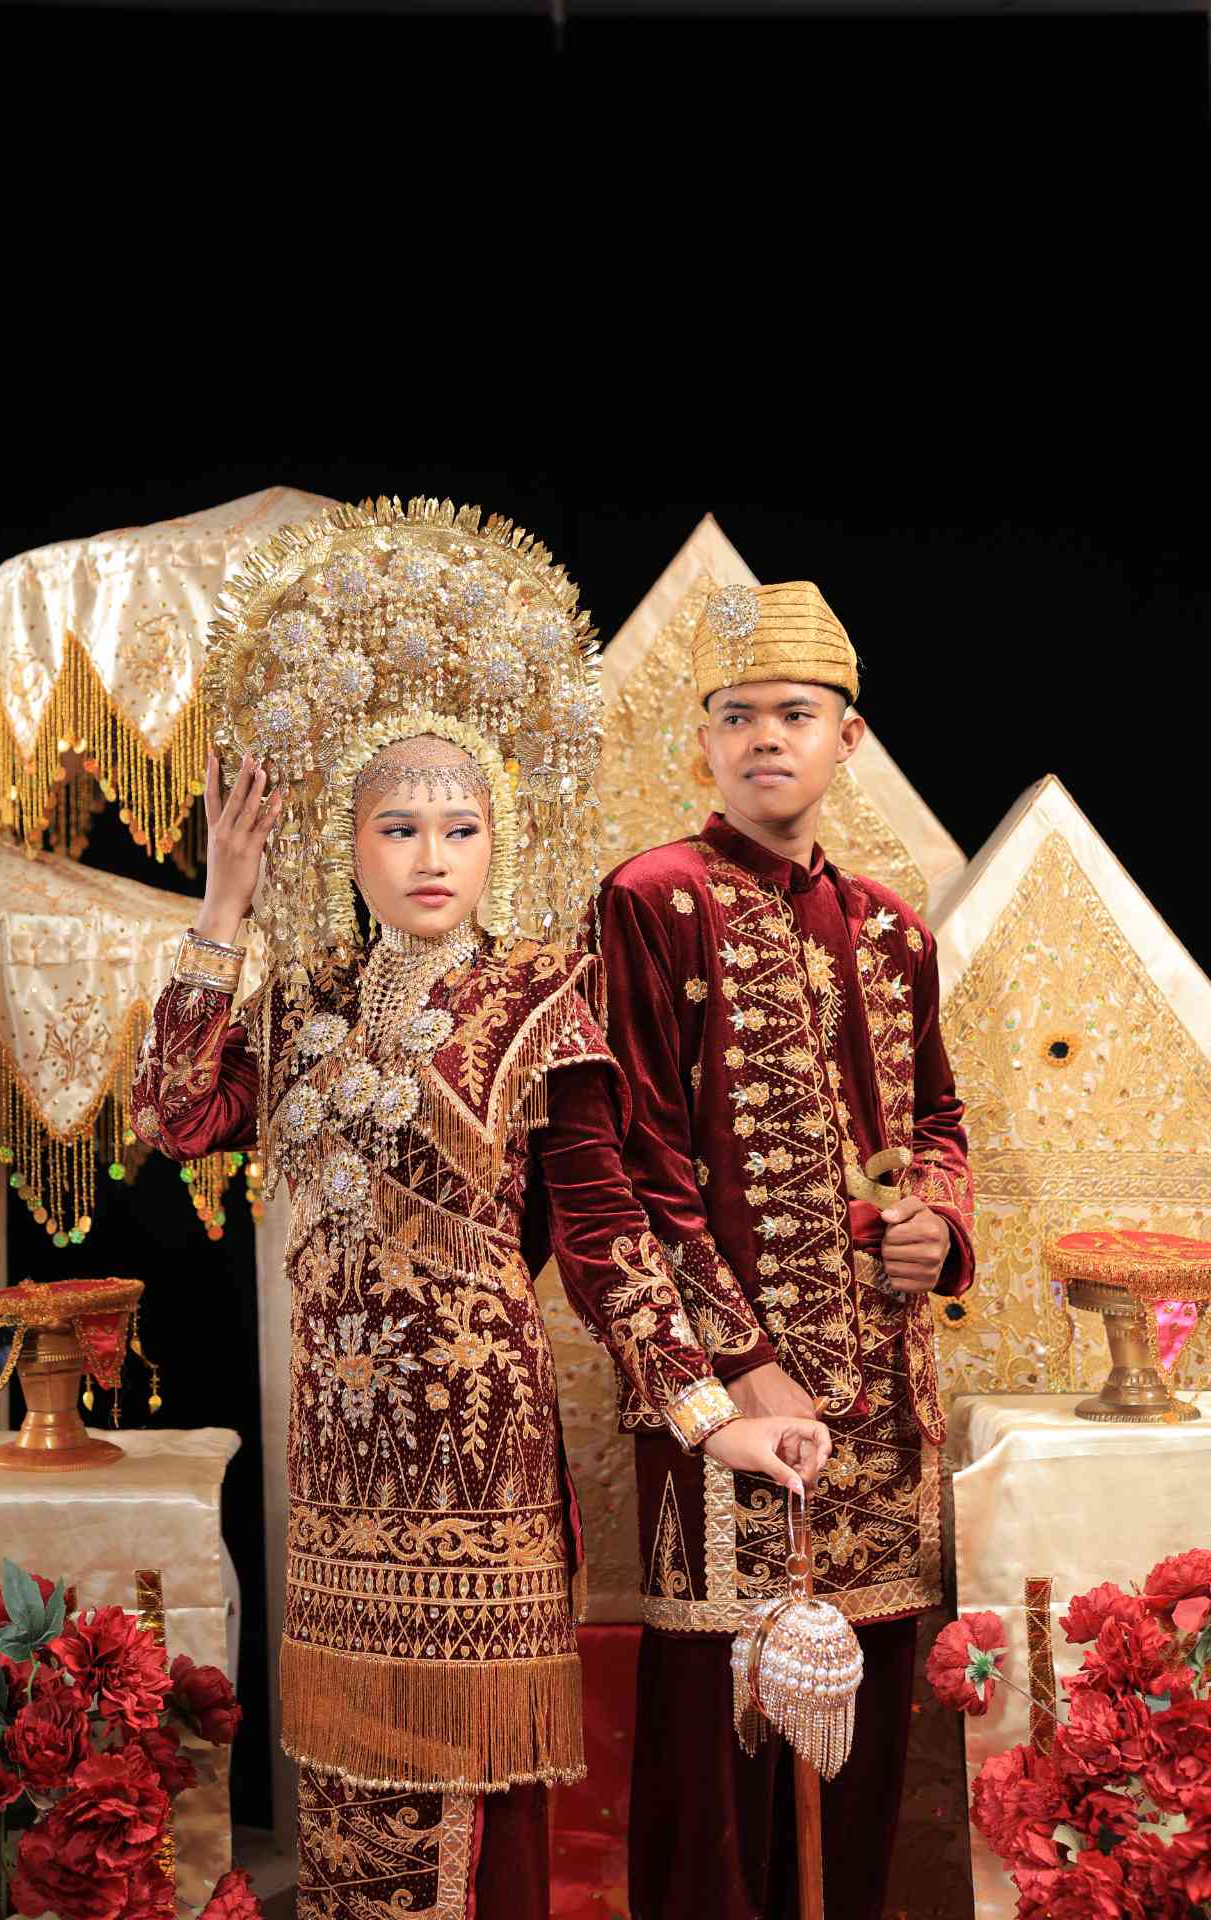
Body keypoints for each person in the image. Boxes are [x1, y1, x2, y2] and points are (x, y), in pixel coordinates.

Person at [130, 504, 830, 1920]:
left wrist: (710, 1415)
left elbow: (606, 1234)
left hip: (479, 1460)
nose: (430, 854)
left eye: (460, 826)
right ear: (349, 843)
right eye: (397, 827)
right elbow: (173, 1117)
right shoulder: (309, 1000)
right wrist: (222, 908)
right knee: (347, 1792)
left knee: (477, 1805)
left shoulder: (541, 1001)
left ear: (502, 840)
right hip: (337, 1465)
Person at [594, 580, 974, 1920]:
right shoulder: (652, 900)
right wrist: (741, 1364)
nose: (767, 737)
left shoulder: (892, 927)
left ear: (846, 738)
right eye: (740, 714)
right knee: (723, 1734)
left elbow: (939, 1121)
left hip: (883, 1403)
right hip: (725, 1405)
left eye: (797, 714)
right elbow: (640, 1158)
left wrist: (940, 1226)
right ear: (704, 739)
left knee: (860, 1740)